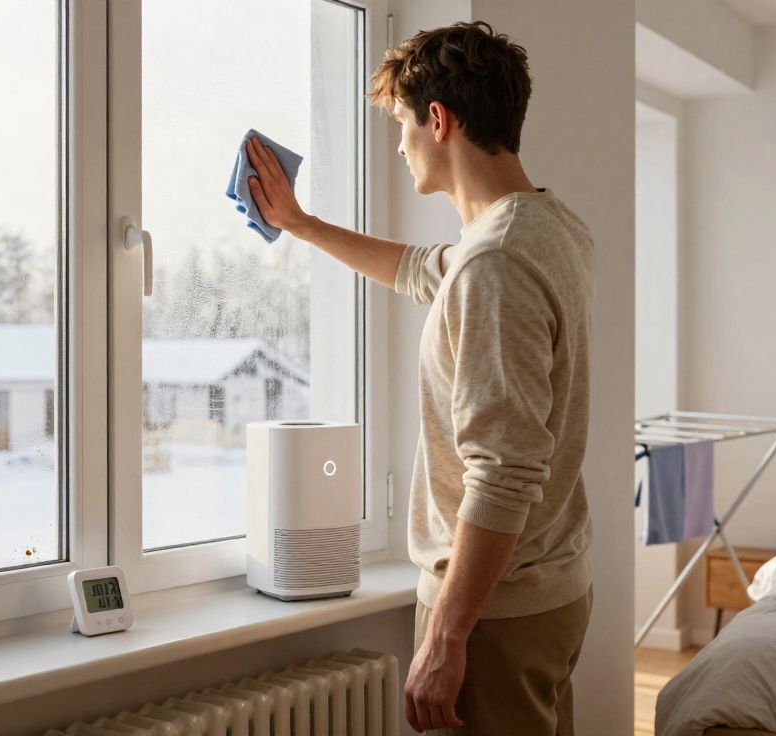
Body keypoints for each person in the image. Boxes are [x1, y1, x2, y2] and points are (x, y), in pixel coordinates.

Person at [245, 20, 594, 735]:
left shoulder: (495, 264)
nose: (399, 146)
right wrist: (302, 224)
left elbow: (502, 471)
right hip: (550, 589)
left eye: (403, 123)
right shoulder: (545, 227)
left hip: (496, 611)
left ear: (440, 120)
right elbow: (415, 270)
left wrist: (447, 637)